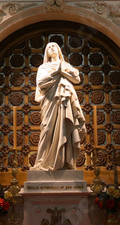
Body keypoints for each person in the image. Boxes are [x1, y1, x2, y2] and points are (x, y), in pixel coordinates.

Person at [31, 42, 86, 171]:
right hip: (50, 101)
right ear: (46, 53)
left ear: (58, 50)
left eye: (54, 46)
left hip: (64, 101)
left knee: (65, 128)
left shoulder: (65, 65)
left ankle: (65, 162)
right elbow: (41, 82)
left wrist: (62, 72)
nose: (52, 48)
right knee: (47, 129)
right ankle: (40, 161)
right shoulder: (43, 67)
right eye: (49, 47)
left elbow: (77, 79)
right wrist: (57, 72)